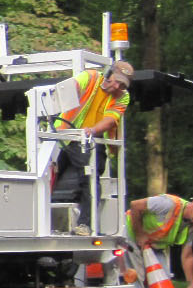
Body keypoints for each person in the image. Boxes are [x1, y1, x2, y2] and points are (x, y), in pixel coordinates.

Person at [52, 60, 133, 233]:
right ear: (108, 73)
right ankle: (46, 219)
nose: (117, 87)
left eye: (122, 85)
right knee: (50, 176)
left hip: (90, 140)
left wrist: (91, 131)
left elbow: (110, 120)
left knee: (89, 178)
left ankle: (85, 225)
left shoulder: (123, 96)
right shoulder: (90, 77)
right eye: (116, 81)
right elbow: (69, 89)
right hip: (64, 136)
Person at [125, 192, 193, 288]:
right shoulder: (168, 204)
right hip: (131, 237)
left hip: (153, 246)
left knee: (163, 280)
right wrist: (140, 235)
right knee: (137, 279)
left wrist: (191, 285)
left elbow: (187, 255)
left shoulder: (191, 225)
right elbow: (135, 205)